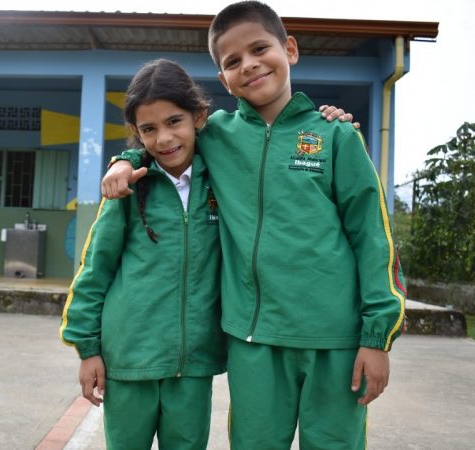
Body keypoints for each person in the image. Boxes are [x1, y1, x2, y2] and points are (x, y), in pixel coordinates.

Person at [101, 2, 407, 449]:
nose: (249, 65)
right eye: (232, 62)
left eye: (260, 48)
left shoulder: (335, 136)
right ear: (223, 79)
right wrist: (123, 161)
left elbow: (374, 239)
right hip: (252, 341)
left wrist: (377, 337)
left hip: (335, 341)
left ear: (290, 49)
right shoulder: (216, 136)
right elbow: (162, 140)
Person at [59, 58, 226, 450]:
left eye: (174, 122)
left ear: (199, 116)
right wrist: (88, 350)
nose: (164, 138)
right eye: (149, 129)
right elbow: (94, 270)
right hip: (129, 361)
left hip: (194, 363)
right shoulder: (126, 189)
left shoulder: (222, 178)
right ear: (136, 131)